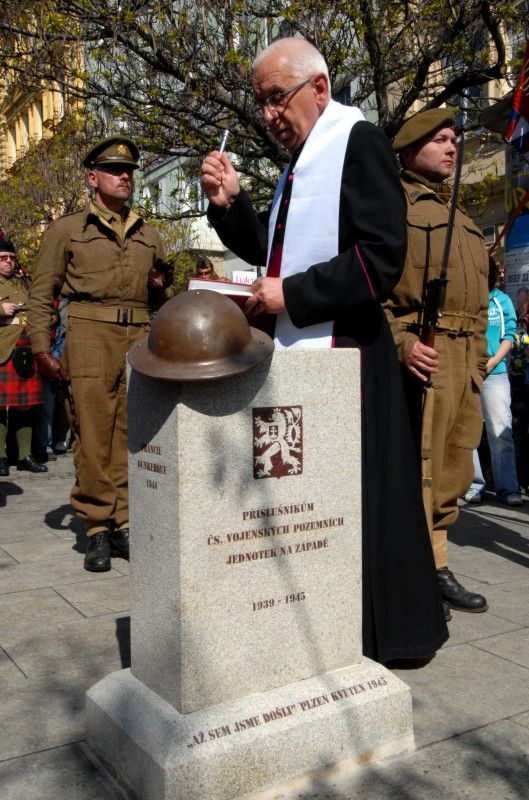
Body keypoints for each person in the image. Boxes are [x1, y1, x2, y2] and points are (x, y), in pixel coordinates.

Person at [201, 37, 448, 665]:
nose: (268, 115)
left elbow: (381, 258)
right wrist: (230, 204)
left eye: (275, 98)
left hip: (352, 355)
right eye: (260, 104)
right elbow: (275, 253)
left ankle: (381, 635)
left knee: (360, 500)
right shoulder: (301, 162)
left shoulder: (357, 142)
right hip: (310, 350)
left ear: (318, 88)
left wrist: (292, 295)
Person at [27, 136, 174, 572]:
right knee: (91, 431)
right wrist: (41, 347)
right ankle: (96, 527)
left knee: (131, 430)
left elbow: (162, 298)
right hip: (89, 334)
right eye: (114, 170)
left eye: (128, 171)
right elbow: (41, 295)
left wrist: (159, 288)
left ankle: (124, 521)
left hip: (139, 337)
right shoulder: (67, 229)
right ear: (93, 178)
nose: (124, 176)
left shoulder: (148, 233)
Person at [385, 108, 490, 618]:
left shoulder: (461, 216)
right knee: (419, 467)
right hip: (426, 353)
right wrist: (402, 344)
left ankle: (437, 564)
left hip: (465, 357)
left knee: (454, 467)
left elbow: (479, 298)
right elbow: (373, 292)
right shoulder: (393, 207)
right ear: (408, 150)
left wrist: (479, 357)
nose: (451, 147)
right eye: (440, 139)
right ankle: (413, 574)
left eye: (454, 139)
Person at [465, 258, 521, 505]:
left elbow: (509, 334)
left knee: (500, 433)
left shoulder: (502, 300)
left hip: (495, 373)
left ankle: (508, 488)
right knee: (469, 434)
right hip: (467, 373)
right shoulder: (467, 298)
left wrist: (492, 361)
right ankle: (473, 484)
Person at [0, 238, 47, 476]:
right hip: (3, 349)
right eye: (3, 258)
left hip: (27, 350)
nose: (9, 261)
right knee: (0, 407)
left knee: (25, 405)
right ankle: (0, 457)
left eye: (11, 257)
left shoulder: (23, 282)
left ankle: (24, 456)